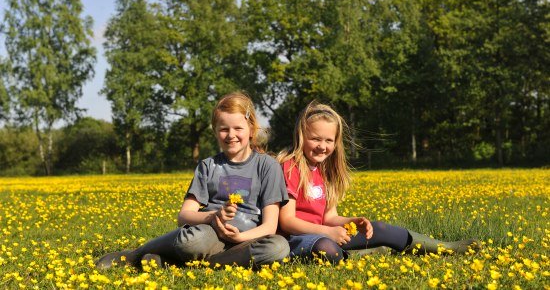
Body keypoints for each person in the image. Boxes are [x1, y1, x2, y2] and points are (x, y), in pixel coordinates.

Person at [96, 92, 290, 270]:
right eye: (223, 129)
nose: (231, 135)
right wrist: (214, 216)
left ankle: (187, 262)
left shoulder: (267, 166)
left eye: (238, 128)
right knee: (192, 241)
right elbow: (184, 216)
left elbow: (270, 226)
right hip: (209, 235)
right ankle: (134, 255)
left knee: (279, 248)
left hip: (247, 240)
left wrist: (239, 236)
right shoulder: (208, 166)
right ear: (215, 132)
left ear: (251, 129)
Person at [277, 102, 479, 263]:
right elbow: (287, 222)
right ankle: (365, 254)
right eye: (315, 139)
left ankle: (447, 248)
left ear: (336, 142)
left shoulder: (326, 171)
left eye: (328, 140)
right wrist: (328, 232)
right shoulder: (291, 167)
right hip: (296, 239)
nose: (322, 146)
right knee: (327, 250)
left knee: (380, 228)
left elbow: (329, 217)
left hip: (326, 232)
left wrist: (351, 221)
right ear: (302, 136)